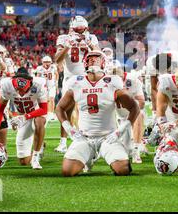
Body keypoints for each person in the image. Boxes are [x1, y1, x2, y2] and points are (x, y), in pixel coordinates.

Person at [55, 51, 140, 176]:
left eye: (96, 59)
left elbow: (134, 107)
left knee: (123, 170)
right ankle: (88, 157)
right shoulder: (76, 82)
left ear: (103, 63)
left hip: (108, 137)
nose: (93, 61)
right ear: (84, 63)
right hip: (85, 137)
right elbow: (59, 108)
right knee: (67, 171)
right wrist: (70, 130)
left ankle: (112, 155)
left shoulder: (112, 81)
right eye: (90, 59)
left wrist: (120, 131)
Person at [54, 16, 100, 153]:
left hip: (89, 77)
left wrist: (89, 44)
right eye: (77, 30)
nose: (79, 33)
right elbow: (57, 59)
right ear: (71, 29)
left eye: (82, 30)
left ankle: (92, 139)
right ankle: (63, 142)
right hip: (70, 78)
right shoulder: (63, 38)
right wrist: (68, 45)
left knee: (90, 109)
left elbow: (99, 55)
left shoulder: (91, 38)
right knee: (65, 109)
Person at [0, 67, 48, 169]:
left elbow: (44, 109)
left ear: (30, 83)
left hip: (37, 113)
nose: (20, 93)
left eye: (23, 90)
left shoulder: (39, 85)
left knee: (39, 121)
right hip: (22, 117)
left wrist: (25, 116)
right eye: (18, 90)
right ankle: (40, 144)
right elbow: (0, 109)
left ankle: (35, 157)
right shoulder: (7, 85)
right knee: (23, 161)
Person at [112, 62, 145, 164]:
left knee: (139, 115)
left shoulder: (133, 81)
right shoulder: (107, 83)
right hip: (118, 116)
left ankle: (136, 149)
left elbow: (141, 102)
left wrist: (133, 112)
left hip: (132, 112)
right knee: (125, 151)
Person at [35, 56, 59, 121]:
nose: (47, 63)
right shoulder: (39, 68)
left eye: (48, 62)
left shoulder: (53, 67)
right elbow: (37, 77)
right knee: (45, 101)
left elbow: (57, 74)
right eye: (45, 62)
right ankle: (46, 113)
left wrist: (56, 84)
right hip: (43, 87)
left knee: (51, 99)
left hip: (52, 86)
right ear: (42, 62)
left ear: (51, 62)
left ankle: (51, 114)